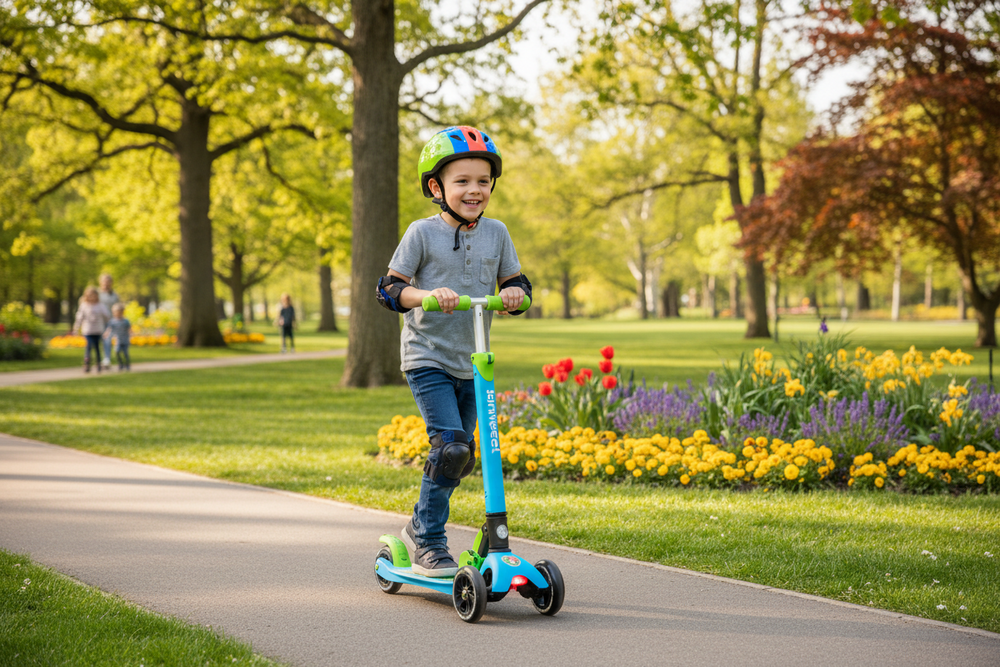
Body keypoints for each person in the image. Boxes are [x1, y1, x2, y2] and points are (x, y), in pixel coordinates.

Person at [375, 126, 532, 577]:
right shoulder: (420, 234)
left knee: (462, 455)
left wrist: (517, 295)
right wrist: (425, 295)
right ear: (436, 187)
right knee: (450, 450)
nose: (474, 190)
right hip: (428, 357)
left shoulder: (497, 233)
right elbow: (388, 290)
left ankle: (425, 525)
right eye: (462, 181)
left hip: (473, 360)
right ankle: (426, 537)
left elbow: (514, 283)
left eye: (483, 181)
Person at [73, 286, 112, 373]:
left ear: (96, 296)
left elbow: (107, 316)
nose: (91, 297)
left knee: (97, 347)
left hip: (98, 330)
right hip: (88, 330)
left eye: (93, 295)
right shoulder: (84, 305)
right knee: (89, 346)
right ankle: (87, 363)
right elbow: (79, 317)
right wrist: (76, 327)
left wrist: (109, 326)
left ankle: (98, 363)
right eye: (89, 295)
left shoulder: (100, 305)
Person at [97, 274, 120, 369]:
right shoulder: (97, 293)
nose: (106, 283)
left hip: (109, 321)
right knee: (97, 340)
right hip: (97, 321)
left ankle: (107, 359)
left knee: (107, 339)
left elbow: (118, 307)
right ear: (101, 282)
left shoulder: (114, 295)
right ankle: (98, 359)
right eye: (104, 281)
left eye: (108, 281)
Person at [106, 303, 132, 371]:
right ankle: (120, 364)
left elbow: (129, 329)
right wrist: (107, 334)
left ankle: (127, 364)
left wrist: (131, 334)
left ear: (122, 312)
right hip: (117, 340)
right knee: (117, 352)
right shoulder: (112, 321)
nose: (117, 313)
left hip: (125, 340)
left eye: (119, 312)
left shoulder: (125, 321)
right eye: (116, 312)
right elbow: (109, 328)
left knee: (125, 353)